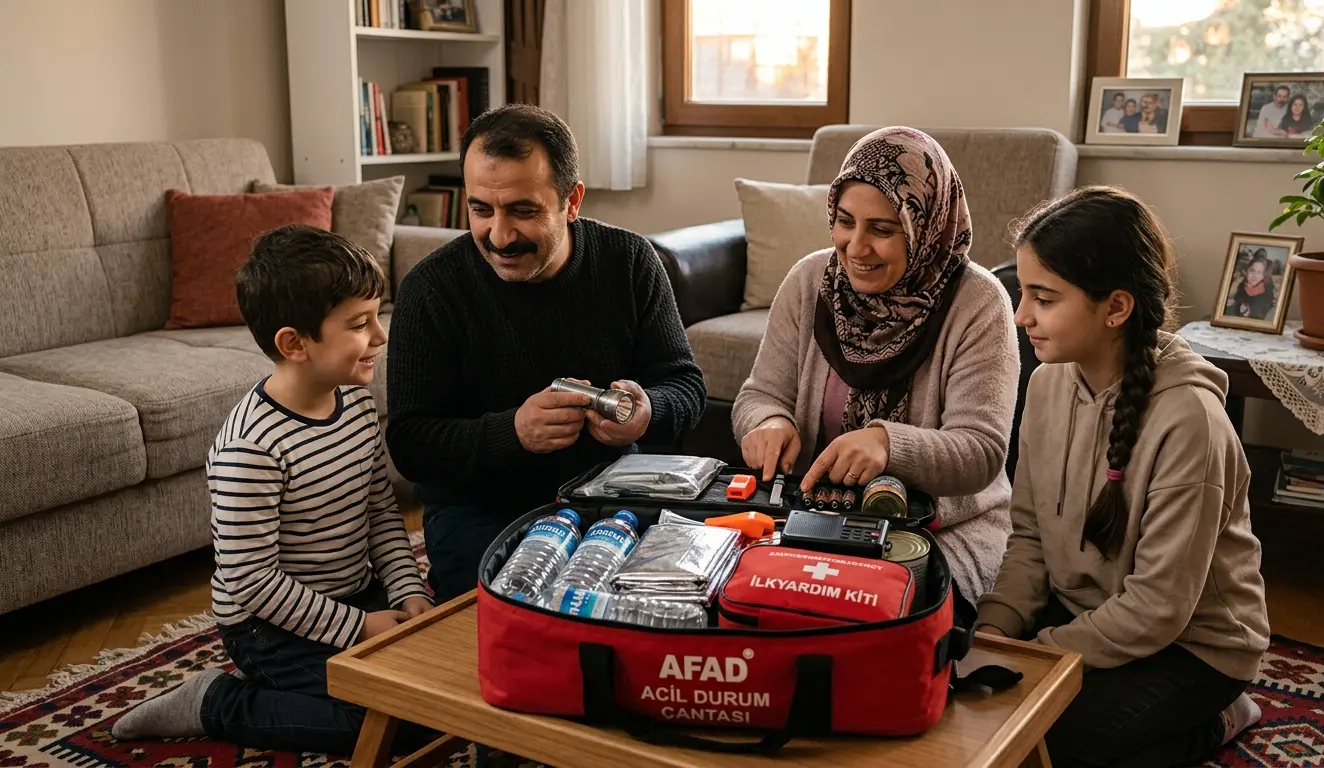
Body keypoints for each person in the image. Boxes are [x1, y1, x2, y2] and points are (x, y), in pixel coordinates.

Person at [112, 226, 435, 756]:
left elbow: (380, 511)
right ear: (294, 344)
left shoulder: (353, 402)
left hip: (353, 595)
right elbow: (252, 581)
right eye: (360, 324)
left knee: (446, 685)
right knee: (391, 725)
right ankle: (215, 702)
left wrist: (408, 592)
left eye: (378, 315)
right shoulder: (251, 448)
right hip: (268, 627)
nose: (381, 335)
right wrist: (359, 629)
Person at [976, 186, 1270, 768]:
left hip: (1192, 648)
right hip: (1088, 615)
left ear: (1116, 307)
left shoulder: (1189, 421)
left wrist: (1039, 655)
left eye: (1044, 297)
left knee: (1047, 750)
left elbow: (1159, 608)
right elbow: (1029, 535)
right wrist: (992, 634)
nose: (1021, 315)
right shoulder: (1045, 384)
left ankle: (1221, 716)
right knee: (979, 717)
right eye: (1023, 293)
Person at [387, 104, 706, 602]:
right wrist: (512, 433)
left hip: (611, 496)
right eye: (480, 210)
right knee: (507, 620)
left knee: (666, 603)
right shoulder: (431, 288)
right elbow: (409, 444)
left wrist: (646, 413)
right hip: (480, 508)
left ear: (572, 200)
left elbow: (685, 388)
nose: (499, 236)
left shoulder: (630, 262)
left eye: (523, 210)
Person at [732, 126, 1020, 602]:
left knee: (884, 613)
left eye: (882, 229)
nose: (855, 247)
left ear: (923, 225)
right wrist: (768, 422)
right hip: (810, 520)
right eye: (845, 222)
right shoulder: (809, 281)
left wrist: (889, 445)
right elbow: (760, 395)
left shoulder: (979, 302)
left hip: (938, 533)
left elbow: (982, 451)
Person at [1228, 248, 1276, 320]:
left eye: (1259, 272)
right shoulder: (1242, 284)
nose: (1254, 275)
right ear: (1247, 271)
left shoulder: (1266, 290)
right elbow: (1237, 298)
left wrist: (1249, 311)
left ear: (1263, 275)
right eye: (1252, 271)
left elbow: (1261, 310)